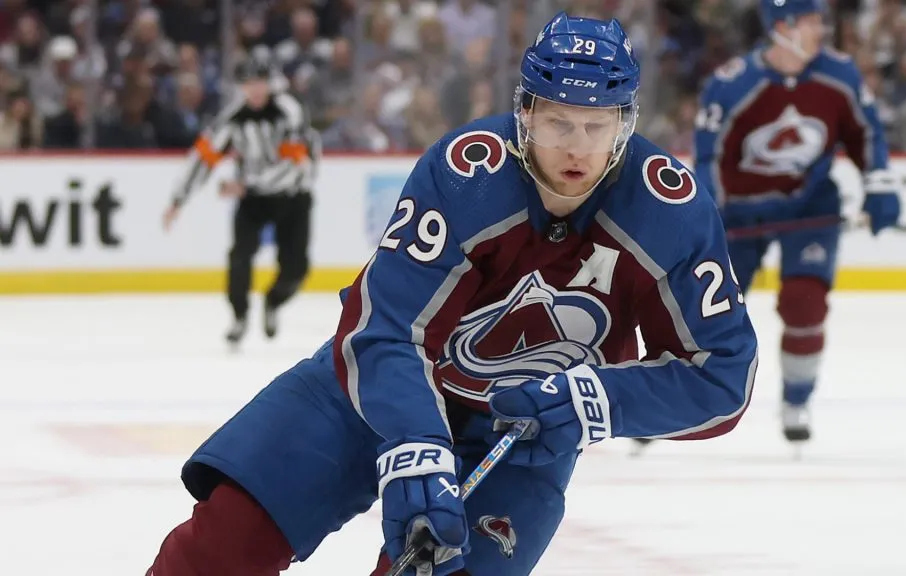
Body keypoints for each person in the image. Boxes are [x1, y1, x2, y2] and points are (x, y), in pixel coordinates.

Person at [145, 12, 759, 576]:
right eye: (557, 123)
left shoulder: (669, 211)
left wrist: (595, 399)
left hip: (520, 440)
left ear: (625, 124)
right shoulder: (466, 173)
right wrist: (416, 439)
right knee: (219, 545)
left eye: (596, 126)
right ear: (524, 114)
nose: (576, 147)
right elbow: (384, 329)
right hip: (375, 394)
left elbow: (725, 377)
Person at [694, 0, 900, 443]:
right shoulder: (731, 85)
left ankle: (797, 400)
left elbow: (865, 132)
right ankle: (676, 397)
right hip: (740, 215)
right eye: (810, 21)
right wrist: (706, 219)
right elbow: (709, 159)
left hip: (810, 208)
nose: (820, 30)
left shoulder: (838, 74)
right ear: (782, 27)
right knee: (711, 313)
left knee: (805, 302)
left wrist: (879, 183)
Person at [162, 52, 321, 346]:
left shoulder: (291, 112)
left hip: (293, 197)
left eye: (259, 81)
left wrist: (244, 184)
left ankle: (273, 301)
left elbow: (295, 168)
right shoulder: (233, 119)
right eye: (248, 83)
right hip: (254, 200)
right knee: (239, 255)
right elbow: (203, 158)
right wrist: (177, 200)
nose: (255, 89)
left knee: (296, 267)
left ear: (270, 83)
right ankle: (239, 316)